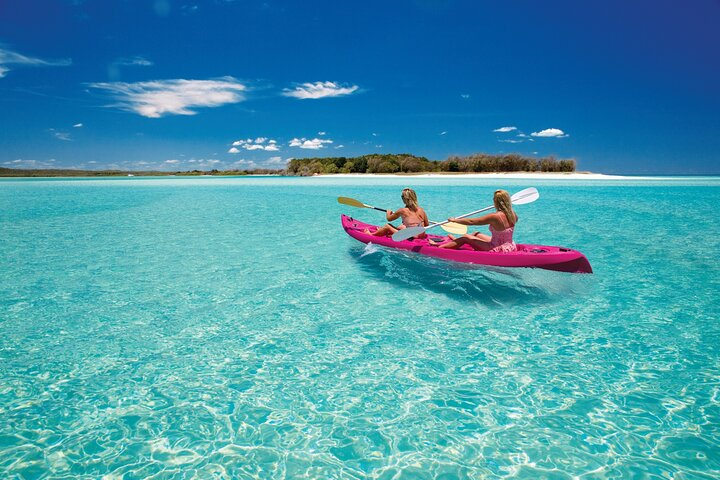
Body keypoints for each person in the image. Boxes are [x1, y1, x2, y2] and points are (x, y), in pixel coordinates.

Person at [430, 189, 517, 252]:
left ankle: (439, 247)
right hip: (510, 245)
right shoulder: (513, 214)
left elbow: (472, 222)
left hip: (497, 247)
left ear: (495, 201)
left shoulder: (495, 217)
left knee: (465, 237)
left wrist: (455, 220)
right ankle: (456, 241)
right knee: (476, 233)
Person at [365, 188, 429, 238]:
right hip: (421, 236)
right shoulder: (421, 210)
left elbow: (389, 219)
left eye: (402, 196)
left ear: (405, 199)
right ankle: (384, 231)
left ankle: (371, 234)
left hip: (411, 236)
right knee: (402, 227)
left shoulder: (402, 210)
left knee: (388, 226)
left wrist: (388, 212)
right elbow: (426, 224)